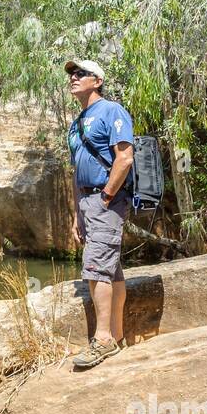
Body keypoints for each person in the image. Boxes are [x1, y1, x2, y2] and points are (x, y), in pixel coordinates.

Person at [65, 58, 134, 369]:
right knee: (110, 268)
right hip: (87, 202)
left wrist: (106, 196)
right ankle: (117, 336)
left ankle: (102, 339)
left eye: (80, 73)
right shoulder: (76, 122)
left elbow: (125, 158)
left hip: (107, 200)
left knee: (95, 267)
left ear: (97, 81)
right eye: (72, 74)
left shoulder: (112, 111)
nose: (74, 78)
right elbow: (76, 170)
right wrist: (76, 214)